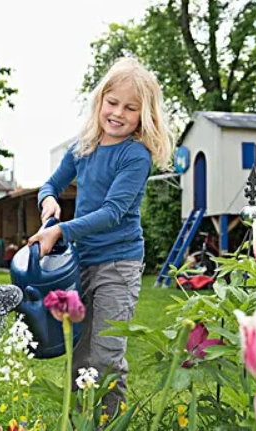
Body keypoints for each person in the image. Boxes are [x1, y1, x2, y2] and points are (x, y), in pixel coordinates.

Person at [28, 57, 173, 417]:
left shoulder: (135, 155)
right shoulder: (83, 147)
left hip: (119, 264)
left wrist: (62, 230)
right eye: (113, 102)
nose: (118, 113)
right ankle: (81, 422)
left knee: (105, 355)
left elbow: (112, 213)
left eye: (130, 107)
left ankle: (108, 423)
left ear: (144, 115)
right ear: (100, 100)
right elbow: (51, 184)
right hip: (83, 262)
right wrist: (48, 202)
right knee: (79, 354)